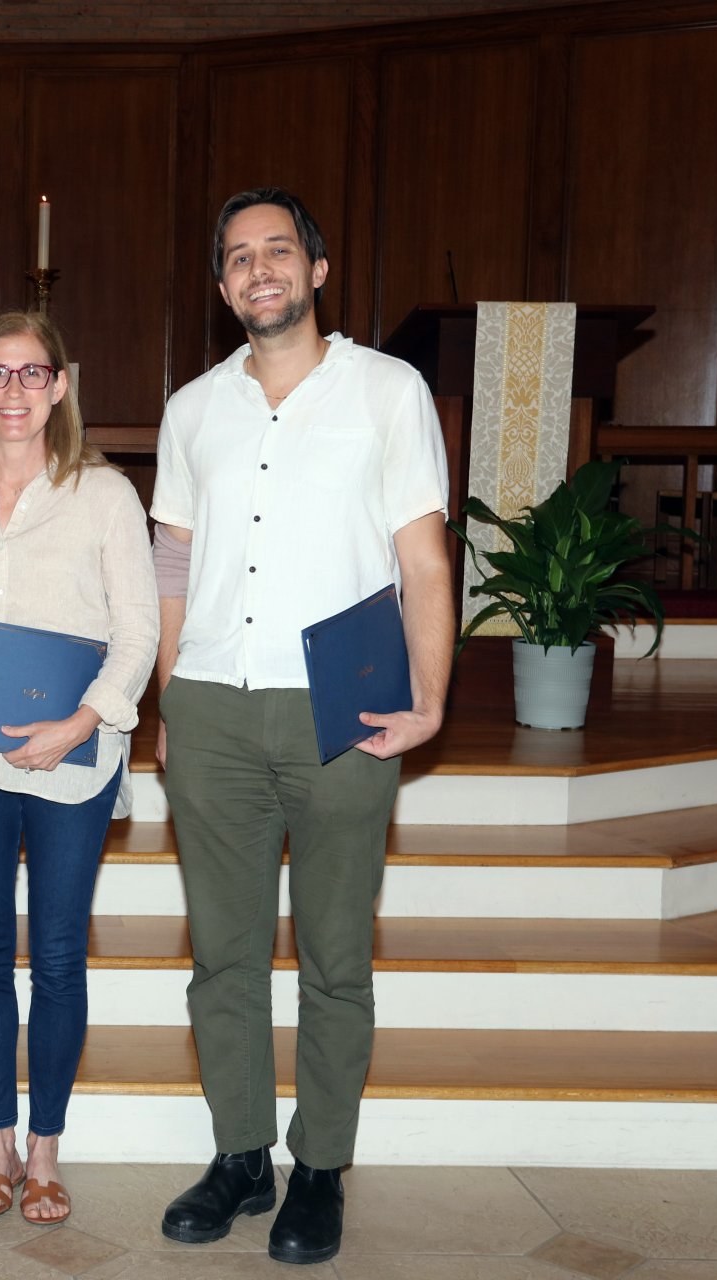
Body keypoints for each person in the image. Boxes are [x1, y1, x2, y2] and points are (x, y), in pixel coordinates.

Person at [151, 187, 453, 1266]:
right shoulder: (193, 409)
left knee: (333, 957)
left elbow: (423, 557)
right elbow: (175, 561)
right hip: (214, 705)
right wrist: (168, 693)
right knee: (222, 957)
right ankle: (241, 1156)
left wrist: (432, 698)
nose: (259, 269)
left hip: (344, 707)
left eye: (279, 250)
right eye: (239, 256)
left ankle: (319, 1165)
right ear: (223, 283)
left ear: (317, 270)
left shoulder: (388, 390)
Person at [0, 311, 158, 1226]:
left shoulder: (103, 495)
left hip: (73, 757)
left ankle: (47, 1151)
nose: (12, 391)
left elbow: (138, 629)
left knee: (56, 955)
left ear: (60, 385)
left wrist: (81, 720)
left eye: (31, 373)